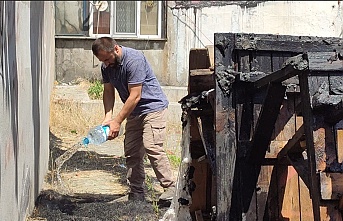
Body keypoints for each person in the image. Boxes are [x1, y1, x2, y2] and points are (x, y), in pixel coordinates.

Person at [91, 37, 175, 203]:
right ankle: (136, 194)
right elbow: (108, 92)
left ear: (116, 49)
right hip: (134, 112)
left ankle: (171, 187)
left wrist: (117, 121)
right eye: (102, 61)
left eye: (107, 59)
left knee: (152, 146)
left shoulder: (134, 60)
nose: (106, 64)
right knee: (132, 152)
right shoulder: (106, 66)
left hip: (153, 108)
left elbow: (135, 96)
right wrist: (108, 117)